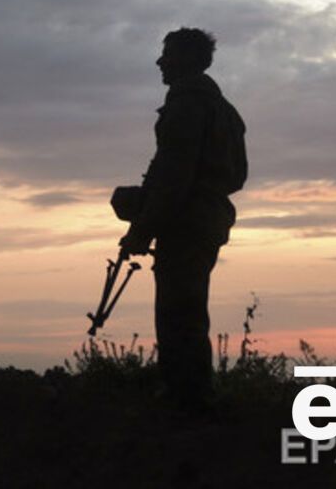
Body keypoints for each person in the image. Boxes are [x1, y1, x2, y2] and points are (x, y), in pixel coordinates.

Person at [118, 27, 247, 413]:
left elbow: (175, 177)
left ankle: (187, 401)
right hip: (204, 219)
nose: (160, 61)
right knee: (186, 308)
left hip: (188, 221)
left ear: (188, 60)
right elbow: (228, 175)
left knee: (179, 313)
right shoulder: (222, 110)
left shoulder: (188, 105)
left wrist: (142, 229)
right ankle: (186, 397)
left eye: (168, 54)